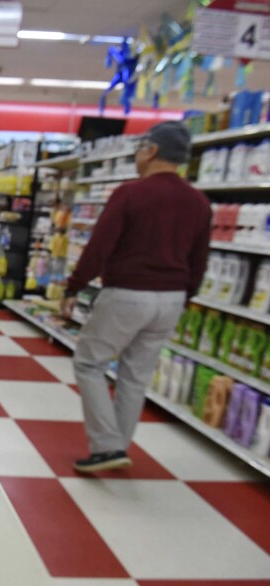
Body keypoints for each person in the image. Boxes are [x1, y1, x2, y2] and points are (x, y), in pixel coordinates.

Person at [61, 121, 211, 473]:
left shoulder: (130, 193)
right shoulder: (199, 202)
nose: (137, 157)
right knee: (135, 376)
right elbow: (199, 261)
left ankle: (107, 446)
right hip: (171, 298)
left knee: (89, 362)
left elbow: (99, 247)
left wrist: (73, 287)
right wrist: (184, 297)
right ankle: (117, 447)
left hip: (128, 293)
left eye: (139, 150)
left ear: (152, 150)